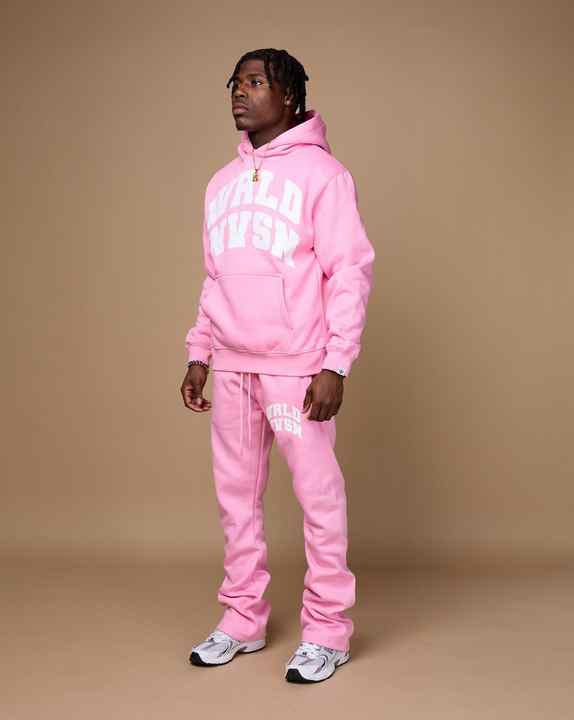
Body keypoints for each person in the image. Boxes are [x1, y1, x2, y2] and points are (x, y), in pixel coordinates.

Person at [180, 48, 375, 684]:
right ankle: (242, 618)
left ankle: (328, 631)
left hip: (297, 368)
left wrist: (336, 363)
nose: (240, 92)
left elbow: (349, 271)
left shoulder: (325, 176)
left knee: (318, 497)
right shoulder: (221, 183)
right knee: (236, 499)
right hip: (233, 365)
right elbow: (214, 277)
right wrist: (200, 352)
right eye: (235, 83)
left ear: (288, 96)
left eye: (255, 82)